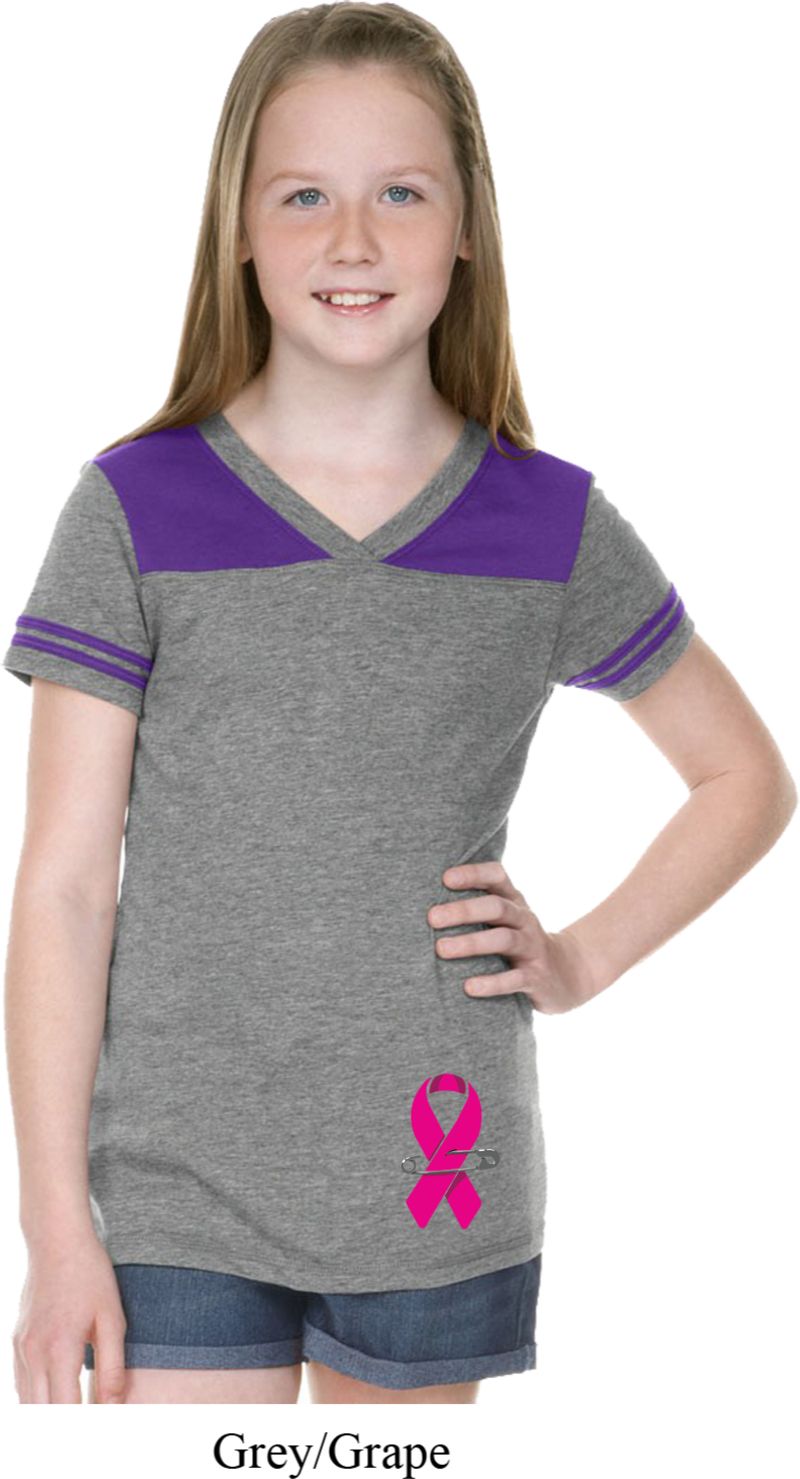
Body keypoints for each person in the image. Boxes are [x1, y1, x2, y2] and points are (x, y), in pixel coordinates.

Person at [3, 2, 795, 1408]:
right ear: (240, 229)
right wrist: (56, 1229)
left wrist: (581, 959)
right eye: (304, 195)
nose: (354, 242)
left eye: (402, 194)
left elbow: (745, 779)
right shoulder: (131, 507)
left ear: (466, 226)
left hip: (438, 1184)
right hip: (173, 1195)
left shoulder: (549, 526)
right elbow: (63, 890)